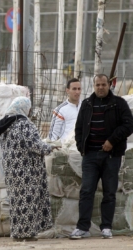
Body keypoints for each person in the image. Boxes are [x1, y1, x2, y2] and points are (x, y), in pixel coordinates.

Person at [70, 74, 133, 240]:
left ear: (109, 85)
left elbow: (128, 125)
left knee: (109, 192)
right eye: (97, 85)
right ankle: (82, 227)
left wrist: (112, 141)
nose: (100, 87)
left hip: (111, 156)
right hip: (90, 155)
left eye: (103, 84)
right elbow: (79, 128)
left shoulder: (118, 104)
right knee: (86, 191)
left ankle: (106, 227)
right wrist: (80, 146)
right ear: (94, 85)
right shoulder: (87, 104)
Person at [0, 96, 58, 242]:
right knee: (28, 200)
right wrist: (50, 147)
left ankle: (18, 233)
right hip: (26, 169)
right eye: (29, 107)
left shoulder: (5, 124)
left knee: (16, 201)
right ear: (24, 107)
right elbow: (34, 145)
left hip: (12, 169)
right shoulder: (24, 124)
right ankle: (27, 233)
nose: (30, 111)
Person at [48, 78, 82, 142]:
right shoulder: (60, 110)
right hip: (67, 148)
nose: (77, 92)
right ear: (67, 90)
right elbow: (53, 135)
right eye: (74, 89)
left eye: (79, 89)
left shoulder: (86, 107)